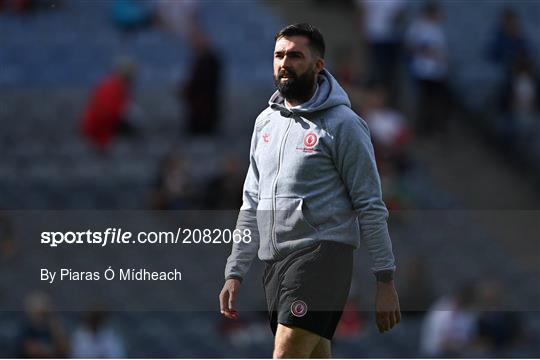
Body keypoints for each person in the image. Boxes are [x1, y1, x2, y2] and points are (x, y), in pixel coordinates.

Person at [219, 23, 400, 358]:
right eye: (279, 55)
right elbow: (251, 204)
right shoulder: (265, 124)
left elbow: (371, 205)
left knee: (286, 353)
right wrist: (235, 271)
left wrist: (384, 279)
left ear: (319, 65)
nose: (284, 62)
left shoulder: (344, 124)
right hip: (277, 263)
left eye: (295, 55)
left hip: (322, 257)